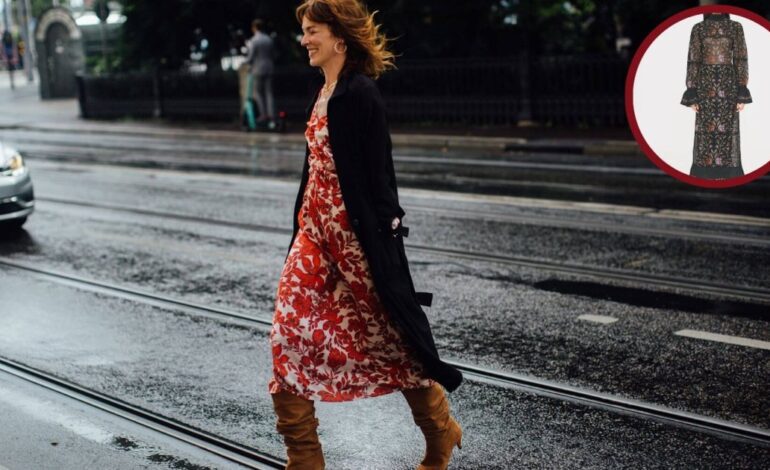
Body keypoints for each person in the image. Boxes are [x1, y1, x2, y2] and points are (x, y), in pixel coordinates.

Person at [267, 0, 463, 468]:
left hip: (355, 245)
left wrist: (386, 239)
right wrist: (300, 226)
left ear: (340, 36)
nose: (305, 39)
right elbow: (315, 169)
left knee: (391, 342)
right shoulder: (323, 90)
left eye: (312, 30)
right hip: (314, 239)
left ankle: (441, 434)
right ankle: (305, 461)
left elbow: (381, 176)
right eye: (304, 30)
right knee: (287, 338)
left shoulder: (360, 93)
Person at [245, 18, 276, 128]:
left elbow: (250, 57)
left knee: (258, 93)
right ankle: (272, 115)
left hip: (258, 69)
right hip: (269, 68)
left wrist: (244, 62)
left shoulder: (253, 40)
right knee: (269, 93)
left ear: (254, 28)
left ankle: (263, 115)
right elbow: (272, 54)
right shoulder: (268, 39)